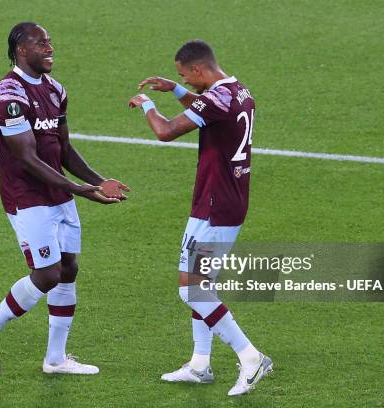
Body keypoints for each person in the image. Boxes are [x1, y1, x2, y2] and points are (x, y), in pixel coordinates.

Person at [0, 21, 130, 376]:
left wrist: (98, 181)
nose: (50, 48)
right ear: (22, 50)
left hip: (59, 193)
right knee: (47, 273)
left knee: (69, 268)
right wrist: (82, 191)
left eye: (50, 42)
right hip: (27, 197)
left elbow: (64, 149)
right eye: (42, 43)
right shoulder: (8, 99)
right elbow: (27, 159)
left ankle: (55, 359)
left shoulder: (55, 90)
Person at [128, 40, 272, 396]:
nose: (186, 82)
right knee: (203, 284)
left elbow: (165, 131)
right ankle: (199, 364)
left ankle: (250, 357)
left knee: (191, 287)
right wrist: (175, 90)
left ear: (198, 69)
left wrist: (147, 104)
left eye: (184, 76)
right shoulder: (238, 91)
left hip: (214, 206)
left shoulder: (214, 99)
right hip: (230, 202)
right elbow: (206, 109)